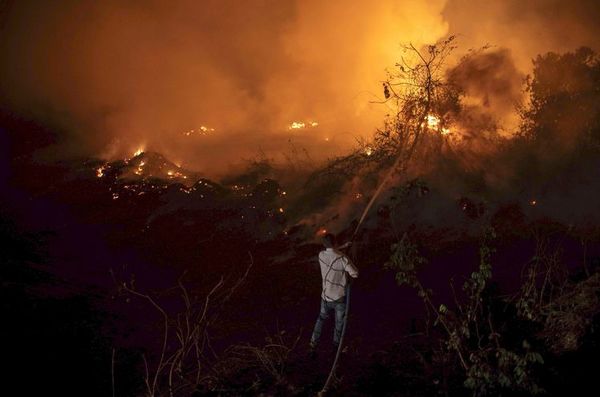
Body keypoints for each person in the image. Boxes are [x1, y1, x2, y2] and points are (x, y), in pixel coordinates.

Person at [309, 233, 359, 353]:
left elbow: (331, 252)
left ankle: (313, 343)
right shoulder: (342, 258)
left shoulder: (321, 255)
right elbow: (355, 273)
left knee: (321, 319)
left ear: (324, 244)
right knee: (339, 323)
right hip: (339, 299)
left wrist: (343, 247)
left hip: (325, 297)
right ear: (335, 242)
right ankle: (335, 346)